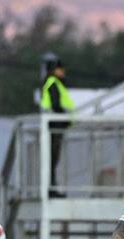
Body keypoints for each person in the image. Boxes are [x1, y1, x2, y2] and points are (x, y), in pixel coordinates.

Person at [40, 54, 74, 198]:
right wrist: (64, 119)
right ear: (55, 70)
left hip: (54, 127)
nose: (63, 72)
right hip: (54, 127)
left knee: (52, 161)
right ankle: (51, 190)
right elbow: (56, 106)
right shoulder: (53, 82)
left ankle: (51, 189)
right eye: (60, 69)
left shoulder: (52, 82)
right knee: (52, 161)